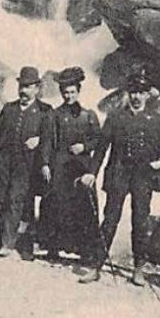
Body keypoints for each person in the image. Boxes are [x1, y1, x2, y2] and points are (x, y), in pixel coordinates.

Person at [96, 66, 160, 286]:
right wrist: (92, 173)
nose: (137, 97)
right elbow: (102, 148)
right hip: (118, 174)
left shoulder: (155, 119)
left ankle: (138, 269)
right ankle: (97, 265)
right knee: (110, 220)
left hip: (143, 177)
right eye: (133, 92)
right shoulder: (116, 117)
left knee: (140, 223)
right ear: (128, 94)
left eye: (141, 92)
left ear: (148, 95)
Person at [39, 66, 106, 280]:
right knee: (56, 204)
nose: (69, 97)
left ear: (79, 92)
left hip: (81, 166)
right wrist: (45, 164)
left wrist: (84, 147)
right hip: (60, 165)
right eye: (65, 93)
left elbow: (99, 140)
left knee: (83, 207)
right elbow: (47, 141)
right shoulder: (54, 115)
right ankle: (53, 247)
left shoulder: (89, 116)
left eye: (72, 93)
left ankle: (85, 252)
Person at [0, 66, 53, 258]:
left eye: (28, 87)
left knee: (16, 201)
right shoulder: (9, 108)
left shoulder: (44, 111)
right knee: (2, 199)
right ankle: (7, 241)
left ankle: (7, 243)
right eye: (22, 86)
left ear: (37, 89)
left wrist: (39, 142)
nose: (24, 91)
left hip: (27, 166)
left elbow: (50, 139)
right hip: (5, 163)